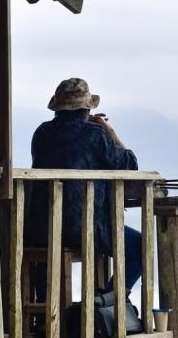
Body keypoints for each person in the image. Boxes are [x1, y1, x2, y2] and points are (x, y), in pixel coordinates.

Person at [24, 78, 142, 301]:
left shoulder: (41, 133)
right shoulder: (95, 135)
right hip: (84, 228)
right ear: (87, 108)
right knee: (141, 248)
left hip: (41, 228)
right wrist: (108, 129)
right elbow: (129, 165)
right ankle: (107, 303)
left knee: (47, 246)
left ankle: (44, 313)